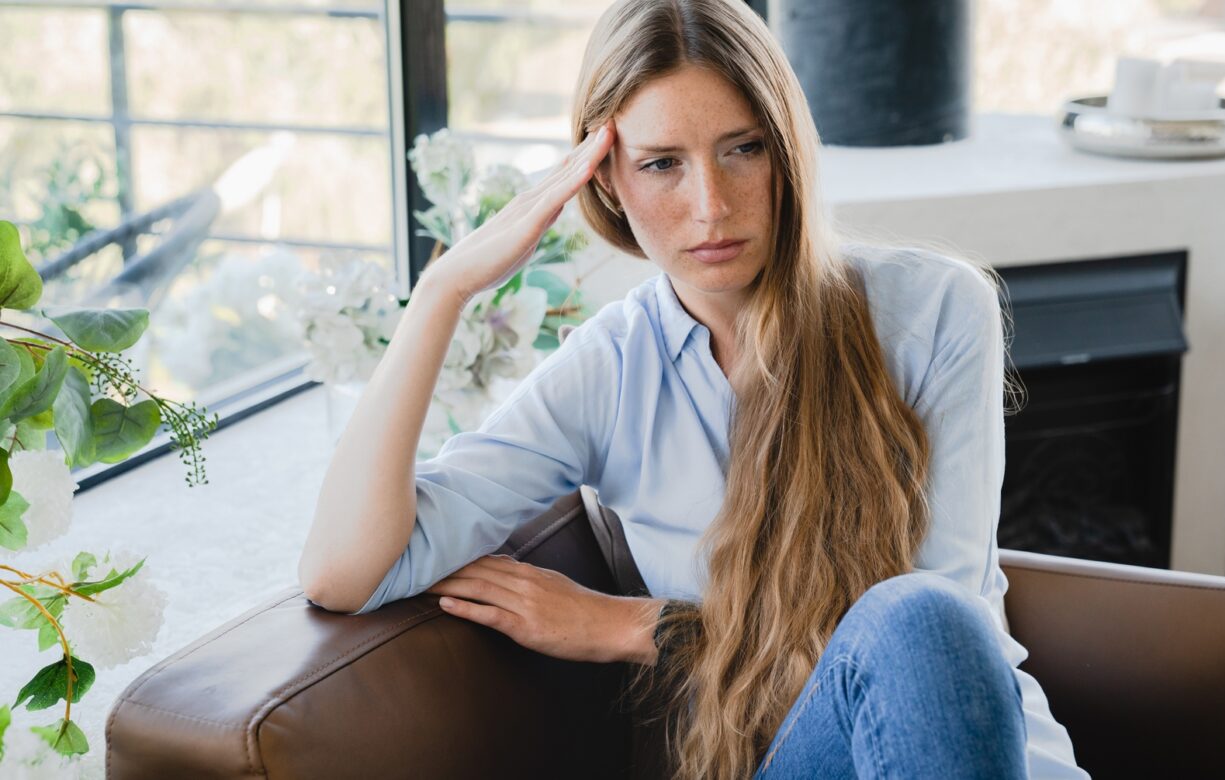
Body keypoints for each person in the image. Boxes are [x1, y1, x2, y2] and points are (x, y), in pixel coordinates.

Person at [299, 0, 1088, 778]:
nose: (710, 206)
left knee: (922, 616)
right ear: (605, 179)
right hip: (783, 759)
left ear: (788, 152)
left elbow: (939, 640)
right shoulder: (612, 369)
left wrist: (643, 627)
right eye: (661, 164)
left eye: (743, 149)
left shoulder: (936, 310)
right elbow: (344, 572)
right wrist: (443, 291)